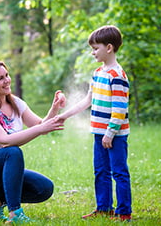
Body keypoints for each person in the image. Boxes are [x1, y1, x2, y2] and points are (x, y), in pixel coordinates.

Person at [0, 60, 66, 224]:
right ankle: (15, 214)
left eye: (7, 75)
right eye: (0, 79)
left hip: (1, 171)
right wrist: (41, 129)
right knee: (12, 152)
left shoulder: (16, 103)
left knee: (44, 188)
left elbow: (39, 125)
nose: (7, 81)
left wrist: (54, 109)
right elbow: (4, 141)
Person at [58, 25, 132, 222]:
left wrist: (110, 132)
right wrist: (65, 115)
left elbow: (119, 109)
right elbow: (87, 101)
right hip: (99, 132)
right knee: (101, 171)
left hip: (114, 135)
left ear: (109, 48)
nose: (92, 53)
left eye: (95, 48)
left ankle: (124, 213)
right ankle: (104, 208)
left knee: (119, 172)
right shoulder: (98, 72)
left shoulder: (117, 76)